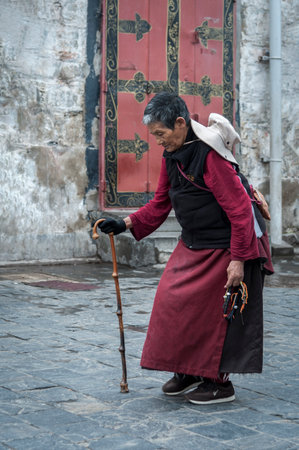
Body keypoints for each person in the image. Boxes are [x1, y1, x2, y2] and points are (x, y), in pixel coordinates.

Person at [97, 92, 273, 405]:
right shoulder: (173, 154)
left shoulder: (210, 156)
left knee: (216, 315)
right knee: (172, 301)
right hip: (193, 241)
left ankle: (218, 383)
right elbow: (161, 202)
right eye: (154, 136)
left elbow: (240, 212)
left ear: (180, 123)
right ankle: (189, 371)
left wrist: (238, 262)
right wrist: (124, 224)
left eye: (161, 134)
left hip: (227, 243)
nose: (158, 142)